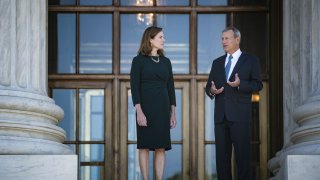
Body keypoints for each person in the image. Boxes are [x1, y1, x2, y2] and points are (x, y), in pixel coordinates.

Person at [205, 27, 263, 180]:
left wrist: (240, 84)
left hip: (240, 117)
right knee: (221, 161)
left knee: (242, 158)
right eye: (222, 38)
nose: (223, 41)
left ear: (237, 39)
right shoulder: (217, 63)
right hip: (220, 117)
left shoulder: (251, 60)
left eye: (227, 38)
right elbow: (208, 87)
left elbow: (258, 85)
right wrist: (212, 90)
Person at [130, 26, 177, 180]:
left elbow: (171, 87)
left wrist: (173, 113)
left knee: (161, 147)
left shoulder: (166, 62)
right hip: (145, 108)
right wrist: (139, 111)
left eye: (163, 37)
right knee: (144, 146)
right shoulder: (138, 61)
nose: (164, 40)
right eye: (160, 37)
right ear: (150, 39)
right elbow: (134, 87)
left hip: (163, 108)